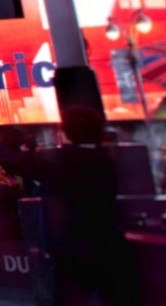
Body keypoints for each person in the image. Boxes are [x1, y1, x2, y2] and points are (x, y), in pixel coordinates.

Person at [33, 106, 136, 306]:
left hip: (70, 245)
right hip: (108, 240)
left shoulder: (57, 161)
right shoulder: (109, 159)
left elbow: (11, 159)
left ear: (66, 132)